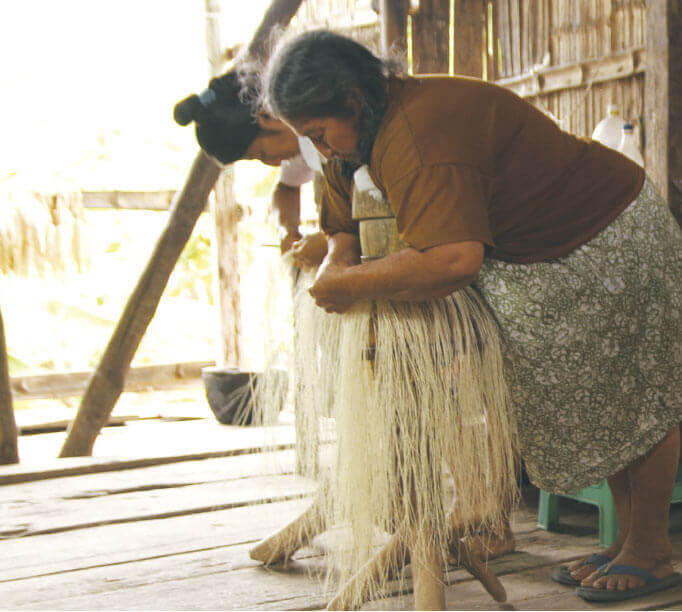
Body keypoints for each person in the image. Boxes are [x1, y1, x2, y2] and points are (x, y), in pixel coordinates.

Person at [262, 29, 682, 602]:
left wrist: (348, 284)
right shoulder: (357, 137)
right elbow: (340, 227)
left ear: (352, 99)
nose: (322, 149)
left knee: (635, 396)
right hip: (541, 251)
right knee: (602, 399)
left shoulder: (418, 131)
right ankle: (626, 541)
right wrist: (338, 264)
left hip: (607, 232)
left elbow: (453, 260)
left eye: (318, 133)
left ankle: (650, 548)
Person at [173, 69, 328, 267]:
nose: (275, 163)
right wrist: (287, 231)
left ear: (266, 116)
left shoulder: (324, 132)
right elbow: (286, 189)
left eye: (262, 154)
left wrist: (330, 244)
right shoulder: (297, 137)